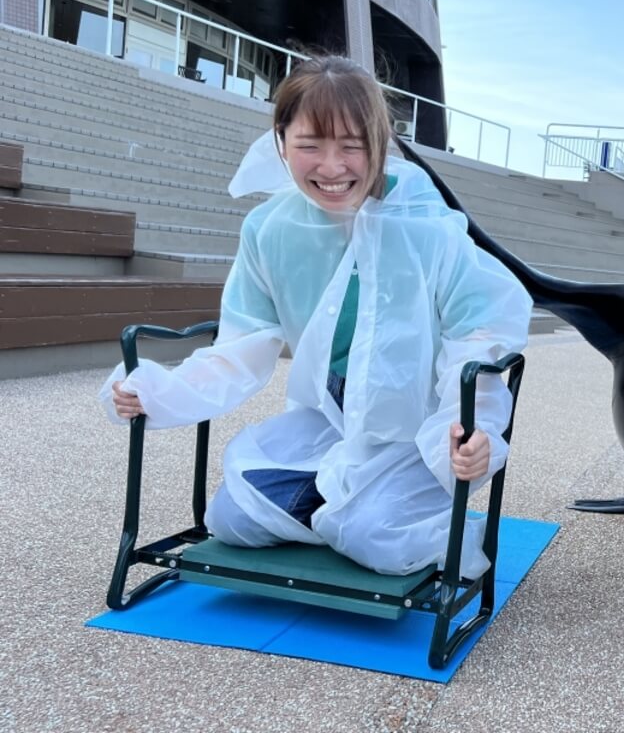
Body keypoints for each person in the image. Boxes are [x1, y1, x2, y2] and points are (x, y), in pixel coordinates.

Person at [99, 55, 533, 578]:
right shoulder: (270, 229)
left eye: (352, 146)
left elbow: (479, 334)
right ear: (281, 140)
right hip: (333, 414)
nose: (331, 168)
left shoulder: (427, 226)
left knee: (372, 534)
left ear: (379, 141)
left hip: (419, 421)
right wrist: (157, 389)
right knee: (232, 518)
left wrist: (470, 426)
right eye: (309, 146)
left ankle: (375, 512)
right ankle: (346, 506)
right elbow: (244, 343)